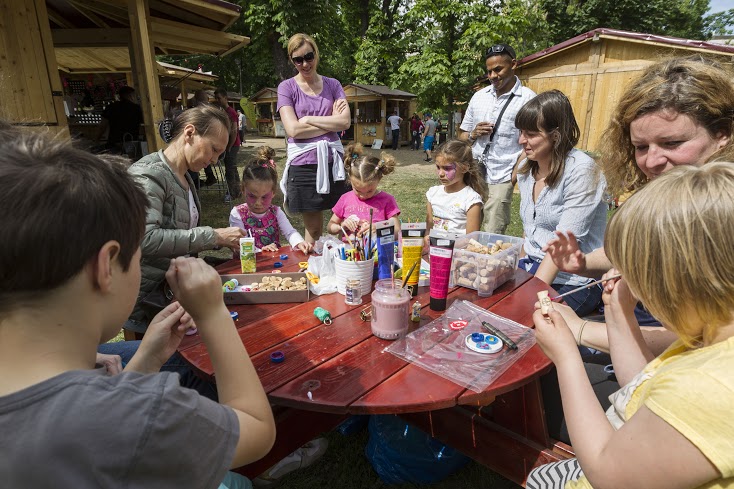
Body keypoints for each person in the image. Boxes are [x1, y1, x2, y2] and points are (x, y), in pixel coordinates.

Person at [0, 127, 275, 488]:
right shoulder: (145, 413)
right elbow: (256, 430)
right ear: (106, 267)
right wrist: (213, 315)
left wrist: (144, 362)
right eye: (136, 254)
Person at [538, 55, 734, 447]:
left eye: (673, 143)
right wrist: (583, 263)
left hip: (668, 372)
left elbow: (701, 339)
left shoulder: (719, 218)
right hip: (636, 344)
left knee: (540, 394)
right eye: (640, 147)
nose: (652, 161)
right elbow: (626, 255)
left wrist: (582, 332)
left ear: (724, 133)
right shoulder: (668, 193)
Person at [527, 162, 734, 489]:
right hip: (620, 453)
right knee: (539, 477)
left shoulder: (711, 388)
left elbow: (609, 476)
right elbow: (639, 385)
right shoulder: (713, 337)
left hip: (605, 469)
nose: (635, 289)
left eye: (639, 277)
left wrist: (567, 356)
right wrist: (617, 310)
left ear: (683, 281)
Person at [126, 105, 245, 334]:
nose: (214, 161)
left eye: (220, 155)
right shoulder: (148, 174)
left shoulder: (184, 176)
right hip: (146, 304)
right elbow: (144, 239)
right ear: (189, 133)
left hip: (170, 298)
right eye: (213, 149)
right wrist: (214, 236)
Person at [515, 90, 607, 316]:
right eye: (520, 132)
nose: (521, 140)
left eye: (531, 134)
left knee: (530, 321)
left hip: (574, 280)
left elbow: (561, 248)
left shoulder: (582, 171)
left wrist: (530, 294)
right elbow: (531, 232)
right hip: (532, 267)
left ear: (555, 135)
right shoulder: (527, 169)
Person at [277, 33, 351, 245]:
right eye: (297, 60)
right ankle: (313, 272)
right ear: (292, 61)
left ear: (316, 54)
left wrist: (308, 120)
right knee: (314, 228)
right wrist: (330, 120)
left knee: (344, 224)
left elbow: (345, 122)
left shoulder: (333, 84)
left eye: (309, 56)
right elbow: (293, 130)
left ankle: (343, 269)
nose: (305, 64)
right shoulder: (287, 87)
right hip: (304, 166)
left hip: (334, 164)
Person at [459, 43, 536, 234]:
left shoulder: (528, 98)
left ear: (514, 64)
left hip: (503, 174)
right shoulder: (479, 97)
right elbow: (461, 136)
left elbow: (532, 140)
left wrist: (514, 176)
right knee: (468, 224)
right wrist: (472, 134)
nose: (493, 76)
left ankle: (489, 264)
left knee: (493, 228)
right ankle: (467, 261)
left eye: (498, 69)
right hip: (475, 171)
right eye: (489, 71)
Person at [230, 146, 312, 254]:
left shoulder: (276, 212)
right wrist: (260, 251)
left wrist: (300, 242)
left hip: (274, 267)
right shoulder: (237, 214)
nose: (258, 203)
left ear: (273, 192)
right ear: (243, 190)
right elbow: (239, 245)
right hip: (246, 267)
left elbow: (290, 232)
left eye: (264, 197)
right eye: (252, 196)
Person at [327, 142, 400, 238]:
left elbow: (397, 230)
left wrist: (378, 228)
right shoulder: (345, 198)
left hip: (377, 251)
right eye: (358, 190)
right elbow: (330, 227)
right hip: (348, 250)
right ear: (350, 178)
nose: (363, 196)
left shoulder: (387, 200)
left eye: (369, 191)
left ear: (379, 180)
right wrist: (342, 226)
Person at [425, 139, 488, 240]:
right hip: (435, 252)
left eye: (447, 168)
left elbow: (471, 239)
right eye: (438, 167)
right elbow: (429, 229)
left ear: (464, 168)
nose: (441, 173)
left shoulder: (471, 199)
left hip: (458, 253)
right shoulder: (433, 194)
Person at [96, 85, 143, 154]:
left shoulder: (111, 107)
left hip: (114, 142)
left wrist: (97, 139)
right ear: (130, 95)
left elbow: (102, 126)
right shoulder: (136, 108)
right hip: (132, 142)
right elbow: (142, 125)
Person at [214, 88, 242, 200]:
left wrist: (229, 146)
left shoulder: (231, 112)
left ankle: (231, 192)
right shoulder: (223, 112)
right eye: (216, 98)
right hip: (228, 145)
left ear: (225, 98)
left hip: (232, 145)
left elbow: (234, 131)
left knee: (230, 169)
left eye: (219, 98)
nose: (217, 100)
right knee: (233, 168)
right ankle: (238, 191)